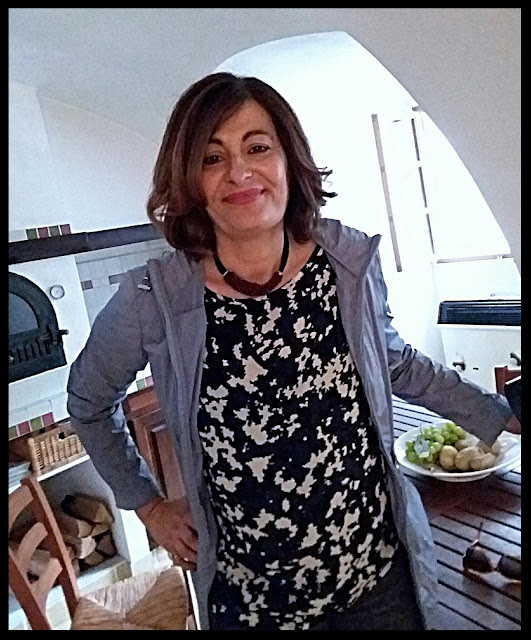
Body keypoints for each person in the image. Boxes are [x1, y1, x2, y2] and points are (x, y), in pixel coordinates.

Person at [67, 72, 520, 631]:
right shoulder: (152, 298)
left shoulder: (346, 262)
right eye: (212, 158)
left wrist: (499, 416)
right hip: (252, 606)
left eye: (258, 147)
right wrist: (149, 505)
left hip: (378, 586)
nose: (239, 172)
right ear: (189, 179)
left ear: (289, 159)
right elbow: (88, 402)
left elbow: (395, 362)